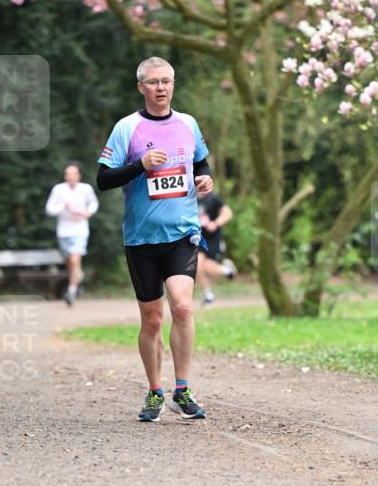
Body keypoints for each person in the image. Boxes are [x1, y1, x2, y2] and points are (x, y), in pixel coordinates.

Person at [96, 56, 214, 422]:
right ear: (141, 87)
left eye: (166, 81)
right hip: (142, 239)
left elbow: (201, 162)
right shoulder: (126, 128)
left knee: (182, 307)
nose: (161, 87)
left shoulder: (188, 123)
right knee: (151, 320)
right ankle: (154, 391)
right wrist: (140, 166)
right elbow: (103, 179)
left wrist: (204, 178)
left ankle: (183, 389)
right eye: (154, 82)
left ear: (173, 85)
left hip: (182, 233)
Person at [45, 162, 99, 305]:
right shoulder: (58, 189)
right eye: (68, 174)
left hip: (80, 230)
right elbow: (49, 209)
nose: (71, 177)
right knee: (70, 262)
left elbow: (94, 204)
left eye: (74, 174)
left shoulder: (86, 189)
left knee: (75, 260)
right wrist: (62, 206)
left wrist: (88, 212)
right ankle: (77, 278)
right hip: (63, 231)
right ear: (65, 176)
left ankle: (71, 291)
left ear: (79, 175)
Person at [197, 188, 236, 305]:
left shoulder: (213, 198)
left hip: (213, 239)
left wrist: (215, 223)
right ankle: (209, 295)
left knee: (208, 268)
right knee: (198, 265)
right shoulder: (189, 199)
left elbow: (228, 213)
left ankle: (227, 270)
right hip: (198, 238)